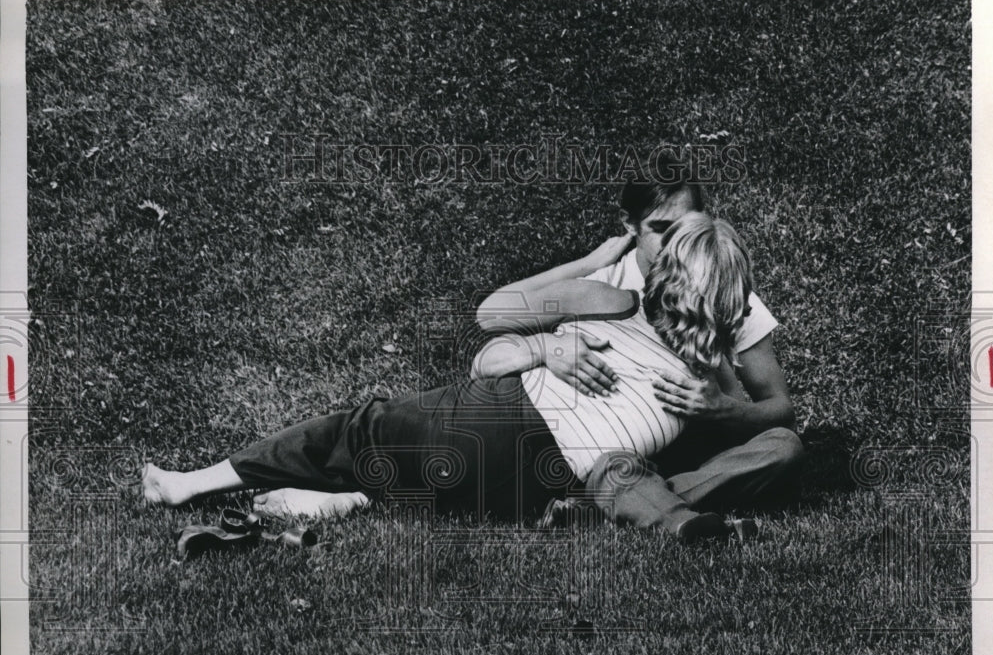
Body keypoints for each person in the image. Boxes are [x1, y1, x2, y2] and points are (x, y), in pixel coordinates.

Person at [142, 213, 754, 539]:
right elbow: (758, 411)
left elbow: (495, 315)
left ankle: (190, 484)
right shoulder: (714, 382)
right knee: (436, 477)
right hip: (537, 490)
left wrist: (593, 269)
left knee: (359, 429)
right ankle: (347, 498)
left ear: (666, 274)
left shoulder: (617, 304)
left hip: (505, 416)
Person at [473, 173, 804, 535]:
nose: (675, 243)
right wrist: (547, 344)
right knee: (619, 467)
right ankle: (634, 502)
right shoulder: (607, 282)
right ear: (630, 226)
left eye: (685, 227)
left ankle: (613, 509)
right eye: (661, 228)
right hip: (610, 451)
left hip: (692, 449)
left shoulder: (724, 289)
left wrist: (725, 409)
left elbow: (779, 410)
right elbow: (492, 319)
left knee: (785, 447)